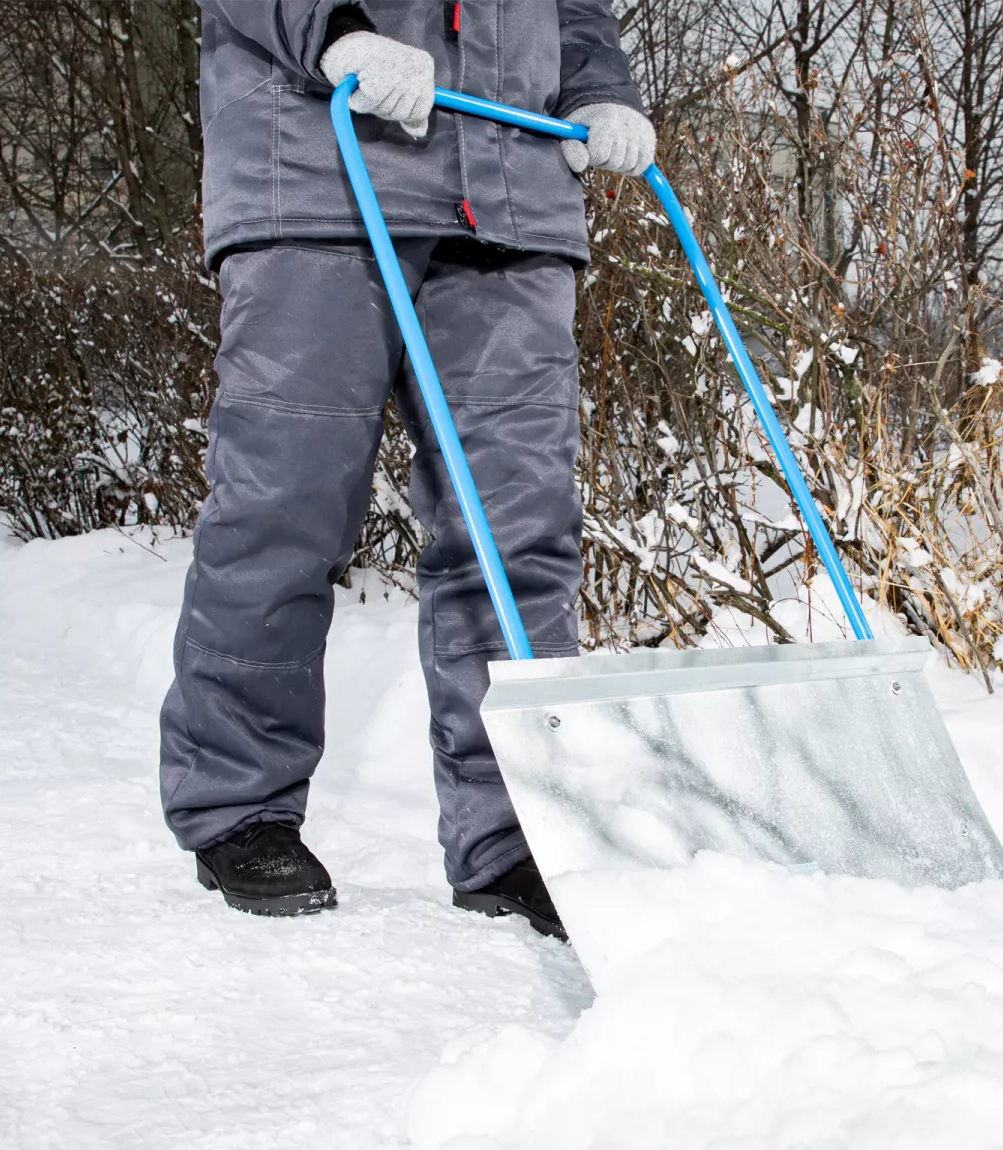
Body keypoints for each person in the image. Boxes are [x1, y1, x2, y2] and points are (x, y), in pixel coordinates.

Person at [159, 1, 653, 938]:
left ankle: (513, 833)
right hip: (319, 165)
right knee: (284, 507)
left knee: (520, 534)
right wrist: (332, 27)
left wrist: (597, 85)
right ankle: (239, 805)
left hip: (512, 188)